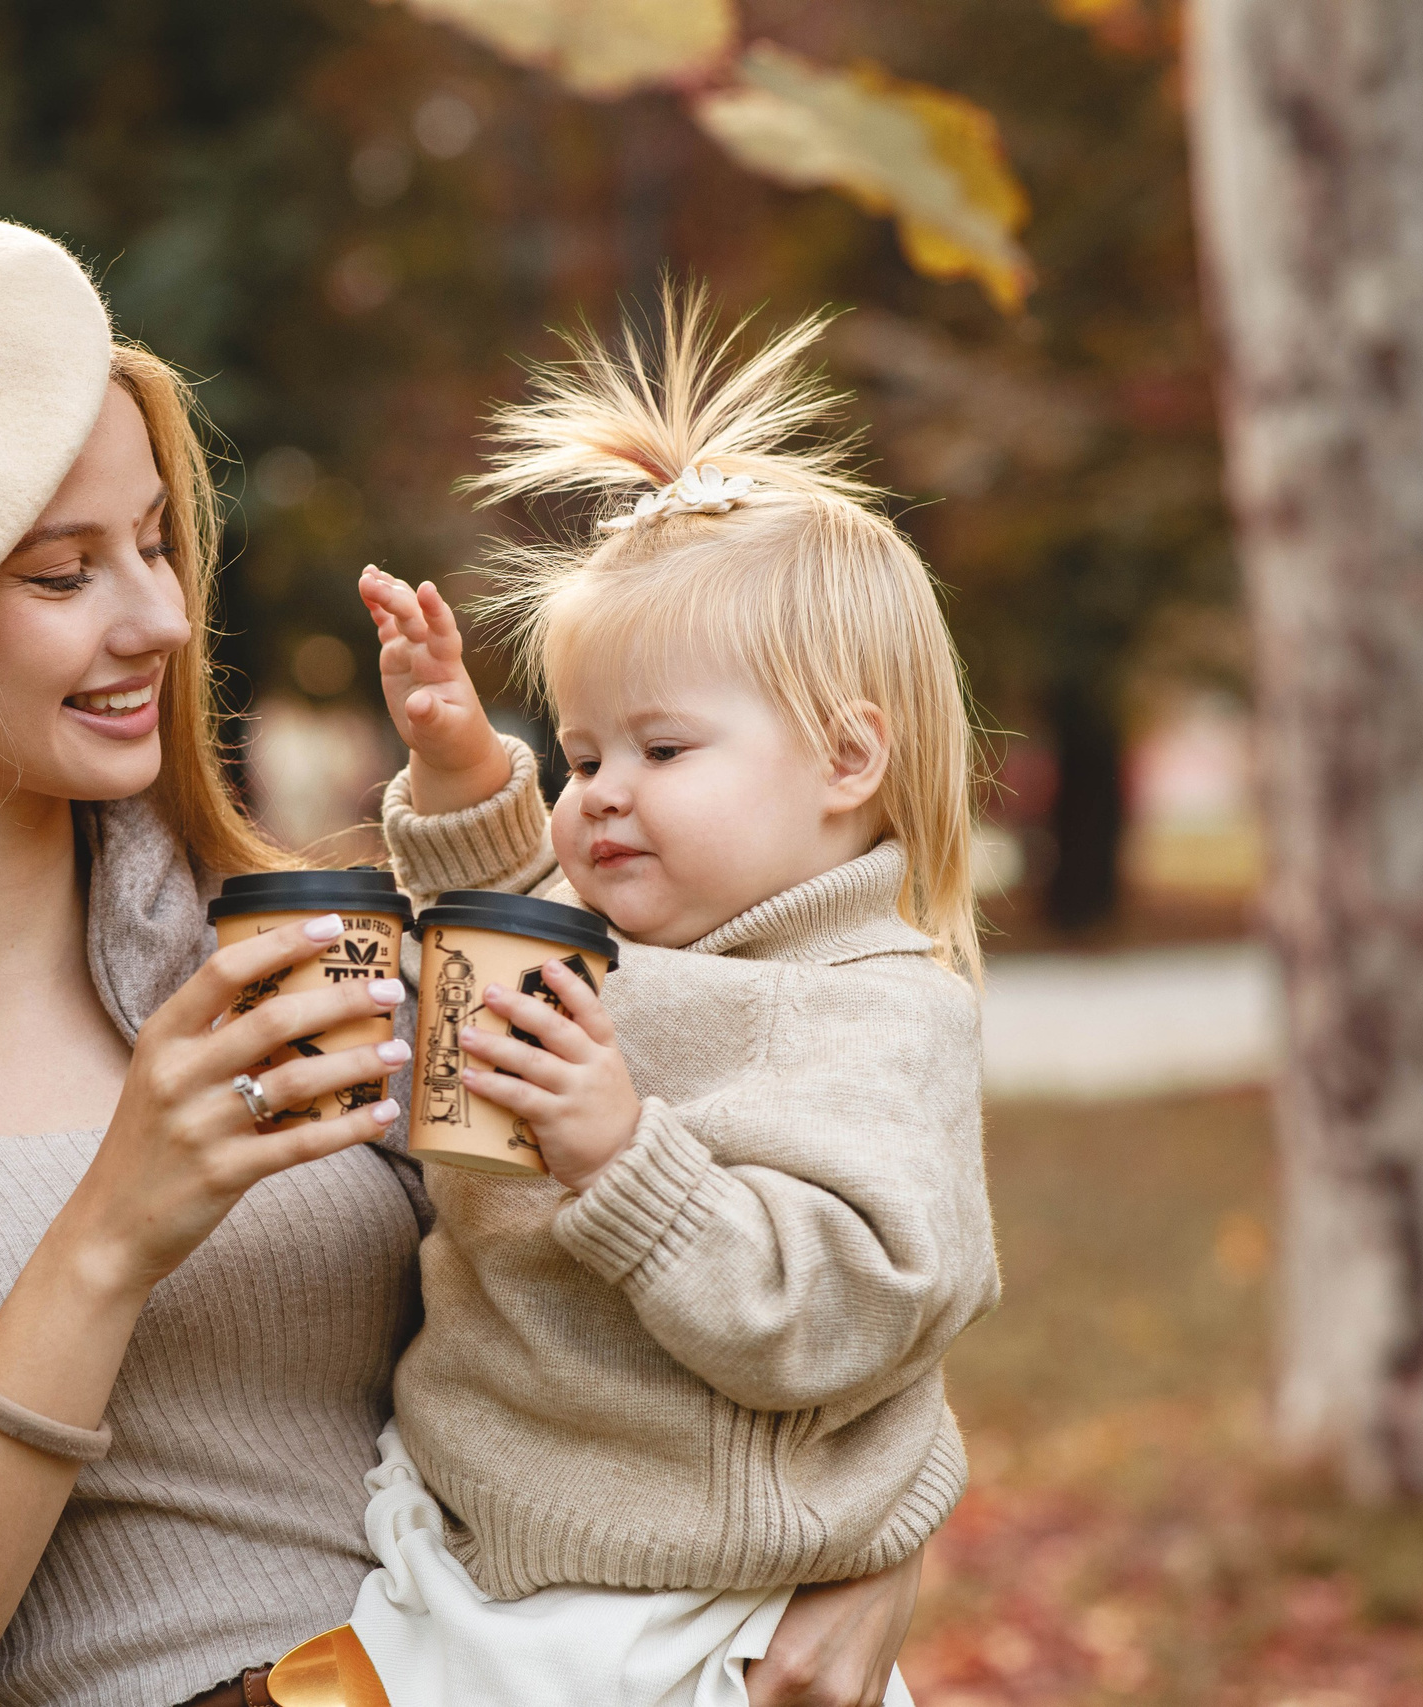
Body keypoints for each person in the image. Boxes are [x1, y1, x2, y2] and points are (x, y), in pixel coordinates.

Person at [0, 213, 928, 1707]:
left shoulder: (311, 940)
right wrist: (109, 1236)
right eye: (64, 576)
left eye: (155, 545)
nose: (165, 620)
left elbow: (762, 1227)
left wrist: (878, 1549)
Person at [333, 293, 998, 1707]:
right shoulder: (626, 930)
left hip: (679, 1606)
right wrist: (458, 766)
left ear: (844, 759)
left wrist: (622, 1158)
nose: (601, 792)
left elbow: (846, 1312)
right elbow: (506, 918)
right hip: (462, 1529)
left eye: (662, 745)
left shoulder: (875, 1014)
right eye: (579, 751)